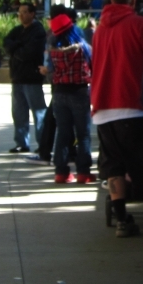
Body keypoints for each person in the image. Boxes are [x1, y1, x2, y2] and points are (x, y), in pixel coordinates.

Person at [91, 0, 143, 237]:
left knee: (113, 166)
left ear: (111, 0)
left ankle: (122, 220)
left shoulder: (100, 30)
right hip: (134, 106)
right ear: (134, 0)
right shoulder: (142, 26)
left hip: (103, 107)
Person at [45, 13, 93, 185]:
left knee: (63, 133)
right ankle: (83, 172)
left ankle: (61, 172)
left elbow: (50, 73)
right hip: (79, 92)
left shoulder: (53, 52)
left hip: (59, 94)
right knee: (83, 135)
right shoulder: (84, 48)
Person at [3, 2, 47, 154]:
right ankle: (21, 143)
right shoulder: (17, 30)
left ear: (32, 14)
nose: (21, 16)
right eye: (19, 13)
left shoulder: (38, 31)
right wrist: (17, 47)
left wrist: (15, 49)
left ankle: (43, 144)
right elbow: (6, 43)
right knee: (19, 113)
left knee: (39, 113)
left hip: (32, 78)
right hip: (17, 78)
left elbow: (30, 52)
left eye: (24, 12)